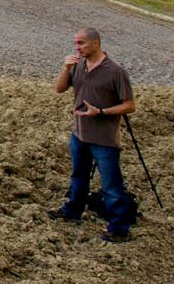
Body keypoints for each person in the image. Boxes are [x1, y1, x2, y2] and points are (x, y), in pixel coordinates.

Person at [48, 27, 136, 242]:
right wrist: (66, 69)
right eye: (76, 43)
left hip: (104, 140)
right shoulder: (78, 66)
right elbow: (59, 89)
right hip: (79, 135)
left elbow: (130, 105)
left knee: (111, 185)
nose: (77, 47)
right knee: (78, 177)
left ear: (96, 43)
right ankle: (72, 211)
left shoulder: (115, 71)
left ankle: (118, 228)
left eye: (81, 43)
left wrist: (102, 112)